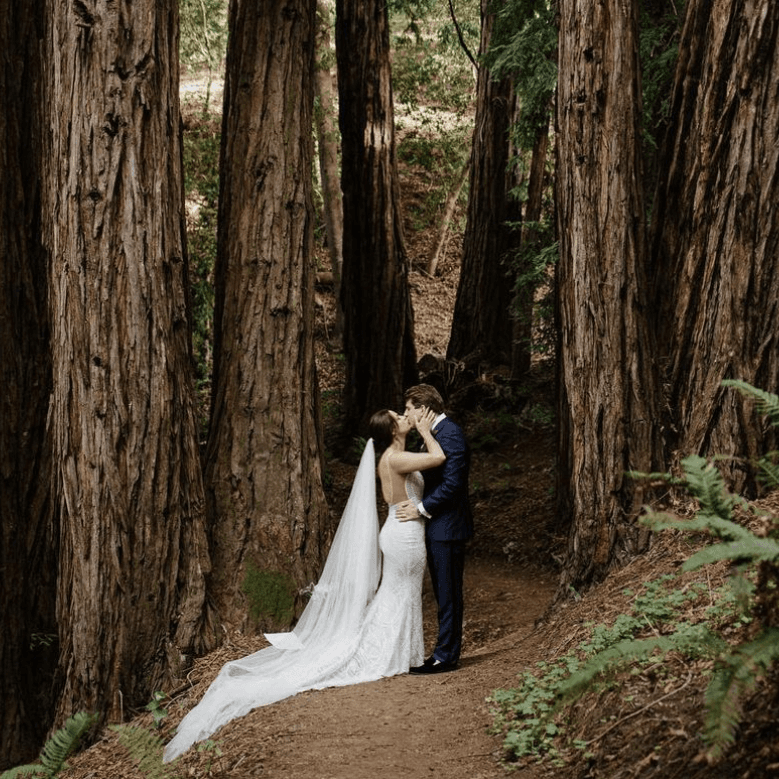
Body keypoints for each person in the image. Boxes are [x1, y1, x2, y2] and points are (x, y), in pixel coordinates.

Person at [163, 407, 445, 762]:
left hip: (400, 530)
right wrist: (427, 429)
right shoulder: (398, 456)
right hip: (404, 535)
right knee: (399, 593)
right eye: (399, 417)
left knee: (397, 593)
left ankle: (400, 651)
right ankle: (391, 653)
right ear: (391, 430)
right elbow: (438, 457)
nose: (405, 418)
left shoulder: (392, 454)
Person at [397, 384, 472, 674]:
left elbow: (453, 484)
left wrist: (420, 509)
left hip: (449, 526)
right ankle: (443, 652)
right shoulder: (435, 435)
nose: (407, 414)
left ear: (423, 409)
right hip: (438, 526)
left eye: (409, 409)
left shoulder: (449, 433)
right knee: (443, 592)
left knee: (449, 592)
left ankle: (446, 656)